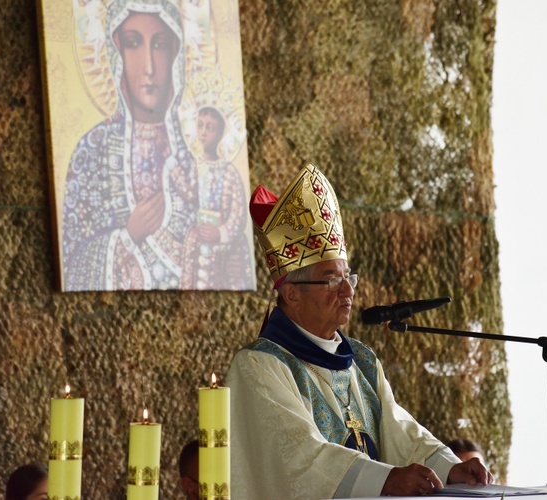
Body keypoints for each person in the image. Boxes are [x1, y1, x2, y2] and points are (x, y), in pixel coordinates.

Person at [226, 162, 493, 498]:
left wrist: (450, 467)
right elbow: (298, 459)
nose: (348, 291)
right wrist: (384, 480)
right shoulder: (260, 366)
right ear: (291, 293)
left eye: (348, 276)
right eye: (331, 279)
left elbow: (399, 432)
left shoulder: (361, 360)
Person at [61, 0, 200, 291]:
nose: (149, 66)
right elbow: (70, 265)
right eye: (133, 43)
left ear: (176, 53)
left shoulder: (195, 155)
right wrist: (128, 235)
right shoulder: (92, 151)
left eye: (160, 45)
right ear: (117, 52)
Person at [191, 105, 253, 290]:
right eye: (200, 125)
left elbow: (238, 213)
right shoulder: (192, 167)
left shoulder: (230, 172)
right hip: (197, 251)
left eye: (210, 128)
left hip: (227, 254)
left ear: (220, 132)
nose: (203, 133)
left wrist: (220, 233)